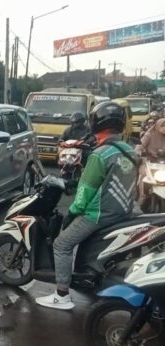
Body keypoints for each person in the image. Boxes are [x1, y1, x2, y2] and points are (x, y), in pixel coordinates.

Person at [36, 102, 138, 310]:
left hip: (99, 213)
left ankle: (62, 294)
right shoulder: (130, 150)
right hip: (124, 211)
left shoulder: (100, 154)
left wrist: (71, 213)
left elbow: (85, 192)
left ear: (96, 123)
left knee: (62, 244)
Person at [136, 118, 165, 207]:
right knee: (143, 176)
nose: (164, 128)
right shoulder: (149, 135)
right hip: (148, 162)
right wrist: (138, 151)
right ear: (158, 126)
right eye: (163, 126)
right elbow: (140, 145)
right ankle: (141, 197)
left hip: (162, 164)